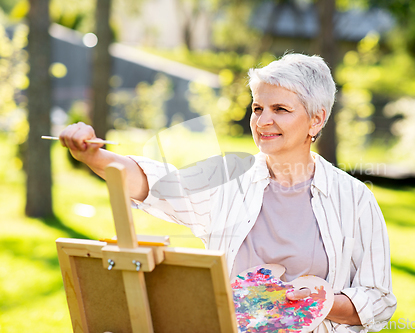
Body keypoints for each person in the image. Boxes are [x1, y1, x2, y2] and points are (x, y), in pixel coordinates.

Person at [59, 53, 396, 333]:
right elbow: (156, 186)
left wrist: (316, 302)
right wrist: (93, 155)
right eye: (257, 108)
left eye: (280, 109)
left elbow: (378, 298)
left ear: (316, 121)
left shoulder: (353, 198)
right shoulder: (228, 180)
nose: (263, 121)